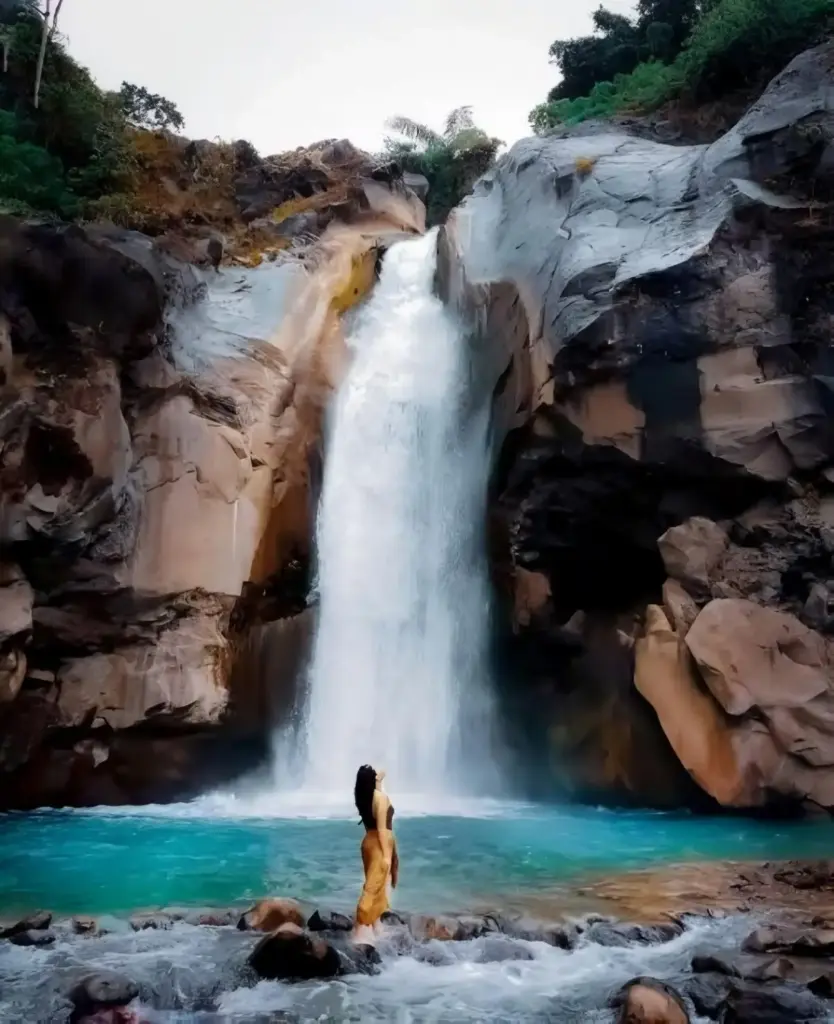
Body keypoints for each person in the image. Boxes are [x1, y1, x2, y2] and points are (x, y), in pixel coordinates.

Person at [353, 764, 398, 941]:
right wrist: (387, 855)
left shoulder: (363, 798)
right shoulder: (379, 798)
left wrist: (378, 781)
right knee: (372, 889)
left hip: (368, 843)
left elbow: (376, 810)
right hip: (381, 843)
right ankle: (359, 930)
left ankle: (374, 925)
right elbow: (382, 828)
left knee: (377, 887)